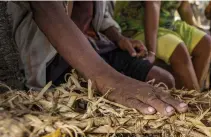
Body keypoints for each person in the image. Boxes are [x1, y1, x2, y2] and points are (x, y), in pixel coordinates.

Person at [7, 1, 188, 117]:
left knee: (164, 79)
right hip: (56, 56)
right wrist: (109, 80)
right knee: (103, 106)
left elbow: (103, 20)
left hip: (98, 45)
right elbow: (45, 8)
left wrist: (120, 39)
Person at [114, 1, 211, 91]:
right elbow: (153, 4)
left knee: (206, 43)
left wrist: (196, 29)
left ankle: (192, 94)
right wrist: (152, 52)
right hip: (137, 25)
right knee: (178, 50)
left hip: (167, 23)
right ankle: (193, 101)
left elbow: (184, 7)